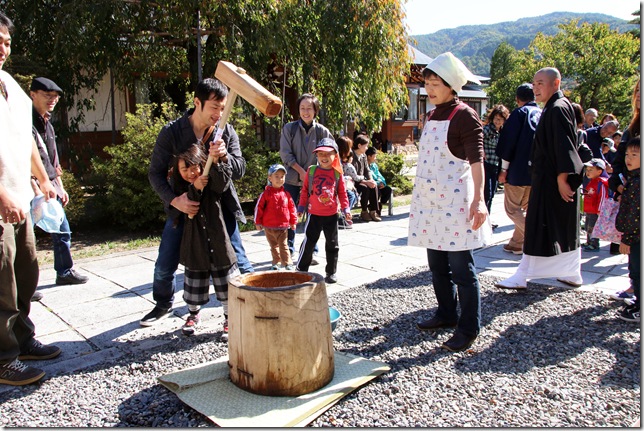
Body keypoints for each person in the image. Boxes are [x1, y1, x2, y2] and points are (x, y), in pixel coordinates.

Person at [142, 78, 253, 326]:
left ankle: (246, 306)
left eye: (223, 108)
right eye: (214, 107)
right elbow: (155, 174)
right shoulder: (172, 132)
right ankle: (162, 304)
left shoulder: (226, 131)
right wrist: (175, 200)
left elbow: (240, 168)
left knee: (239, 262)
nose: (219, 113)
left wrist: (224, 157)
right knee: (165, 263)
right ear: (197, 103)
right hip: (185, 207)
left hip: (219, 208)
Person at [408, 52, 491, 353]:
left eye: (435, 84)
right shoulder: (431, 115)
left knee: (462, 269)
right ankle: (446, 313)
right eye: (427, 84)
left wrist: (479, 201)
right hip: (431, 203)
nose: (429, 90)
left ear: (451, 86)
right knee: (437, 265)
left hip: (456, 203)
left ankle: (469, 327)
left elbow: (477, 161)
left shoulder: (464, 115)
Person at [0, 11, 62, 386]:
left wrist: (44, 178)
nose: (3, 49)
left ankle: (22, 340)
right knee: (1, 279)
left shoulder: (9, 84)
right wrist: (2, 193)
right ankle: (4, 357)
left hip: (21, 197)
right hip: (2, 199)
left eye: (6, 41)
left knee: (26, 270)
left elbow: (26, 140)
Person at [495, 67, 585, 290]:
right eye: (534, 83)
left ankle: (523, 274)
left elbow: (565, 145)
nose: (535, 88)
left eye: (541, 83)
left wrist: (563, 177)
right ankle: (573, 272)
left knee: (539, 227)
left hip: (553, 181)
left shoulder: (557, 108)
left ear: (556, 83)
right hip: (549, 178)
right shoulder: (555, 107)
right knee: (560, 227)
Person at [172, 145, 239, 338]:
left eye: (194, 167)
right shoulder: (178, 188)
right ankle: (193, 315)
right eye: (185, 169)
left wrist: (218, 161)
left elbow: (223, 183)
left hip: (218, 241)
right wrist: (194, 188)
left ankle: (230, 317)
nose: (190, 172)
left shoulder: (211, 182)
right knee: (194, 285)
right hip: (196, 244)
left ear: (202, 165)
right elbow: (185, 205)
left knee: (226, 284)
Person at [30, 77, 89, 286]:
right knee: (25, 237)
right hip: (29, 185)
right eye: (47, 96)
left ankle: (64, 271)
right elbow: (26, 157)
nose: (52, 100)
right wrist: (36, 185)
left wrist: (60, 186)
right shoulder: (24, 122)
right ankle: (23, 285)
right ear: (33, 95)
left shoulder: (48, 123)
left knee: (61, 227)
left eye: (55, 97)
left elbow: (53, 160)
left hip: (49, 185)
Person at [279, 93, 333, 258]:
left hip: (315, 182)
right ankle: (288, 249)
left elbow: (331, 153)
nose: (305, 111)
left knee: (314, 216)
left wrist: (315, 173)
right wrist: (301, 171)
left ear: (315, 110)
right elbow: (285, 154)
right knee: (289, 215)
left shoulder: (322, 131)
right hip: (291, 179)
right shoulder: (290, 128)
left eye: (309, 108)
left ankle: (312, 250)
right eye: (302, 108)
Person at [296, 138, 351, 284]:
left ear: (335, 155)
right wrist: (301, 207)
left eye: (328, 154)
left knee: (332, 244)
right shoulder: (311, 171)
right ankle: (301, 269)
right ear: (317, 156)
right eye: (320, 154)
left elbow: (342, 193)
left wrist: (346, 209)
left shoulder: (337, 174)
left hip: (331, 215)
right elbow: (305, 191)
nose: (324, 157)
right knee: (309, 243)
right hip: (314, 214)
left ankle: (331, 272)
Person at [496, 84, 541, 255]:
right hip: (537, 171)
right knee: (526, 207)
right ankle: (516, 243)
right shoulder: (543, 113)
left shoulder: (519, 114)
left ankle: (534, 237)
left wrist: (503, 169)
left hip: (518, 169)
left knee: (512, 209)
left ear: (517, 99)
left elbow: (509, 143)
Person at [608, 78, 639, 256]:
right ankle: (635, 281)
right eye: (637, 91)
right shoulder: (631, 129)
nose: (640, 95)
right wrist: (618, 185)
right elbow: (619, 162)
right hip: (631, 189)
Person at [615, 137, 640, 322]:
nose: (628, 158)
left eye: (634, 155)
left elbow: (636, 216)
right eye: (627, 154)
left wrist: (627, 238)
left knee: (638, 271)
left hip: (637, 237)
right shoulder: (634, 178)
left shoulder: (639, 183)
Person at [254, 164, 297, 270]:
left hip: (283, 227)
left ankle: (287, 263)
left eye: (282, 176)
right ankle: (276, 262)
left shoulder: (286, 194)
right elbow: (259, 208)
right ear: (270, 178)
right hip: (269, 226)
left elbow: (292, 209)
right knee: (274, 246)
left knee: (284, 245)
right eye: (276, 176)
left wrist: (293, 222)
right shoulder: (265, 194)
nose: (279, 179)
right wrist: (258, 222)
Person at [482, 104, 509, 219]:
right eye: (496, 118)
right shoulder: (488, 129)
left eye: (501, 119)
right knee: (486, 194)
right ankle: (483, 220)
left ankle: (488, 218)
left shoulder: (503, 132)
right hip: (486, 164)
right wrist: (481, 151)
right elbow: (478, 139)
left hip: (496, 165)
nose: (498, 121)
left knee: (492, 194)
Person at [581, 158, 609, 252]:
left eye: (591, 170)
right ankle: (589, 241)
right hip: (589, 209)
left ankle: (594, 244)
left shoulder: (601, 183)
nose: (587, 172)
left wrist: (600, 210)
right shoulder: (592, 181)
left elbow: (602, 197)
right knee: (587, 225)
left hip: (595, 210)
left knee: (592, 227)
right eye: (587, 170)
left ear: (599, 171)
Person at [351, 134, 380, 222]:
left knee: (374, 186)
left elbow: (367, 170)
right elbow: (353, 175)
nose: (367, 148)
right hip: (354, 181)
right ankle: (364, 211)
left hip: (363, 179)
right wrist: (366, 182)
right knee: (365, 188)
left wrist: (371, 180)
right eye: (366, 146)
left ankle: (373, 211)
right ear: (359, 145)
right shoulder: (351, 155)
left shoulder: (363, 156)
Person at [337, 136, 357, 228]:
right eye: (349, 147)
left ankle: (343, 216)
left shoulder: (341, 160)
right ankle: (342, 217)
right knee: (350, 195)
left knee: (353, 194)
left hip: (342, 184)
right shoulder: (336, 159)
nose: (350, 149)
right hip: (336, 186)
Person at [365, 146, 392, 215]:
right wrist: (377, 183)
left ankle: (380, 204)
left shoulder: (374, 165)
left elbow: (379, 176)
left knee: (388, 190)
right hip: (371, 185)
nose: (375, 158)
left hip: (379, 184)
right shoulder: (364, 166)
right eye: (374, 156)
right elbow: (366, 178)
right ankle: (374, 209)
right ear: (369, 156)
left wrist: (383, 183)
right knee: (377, 191)